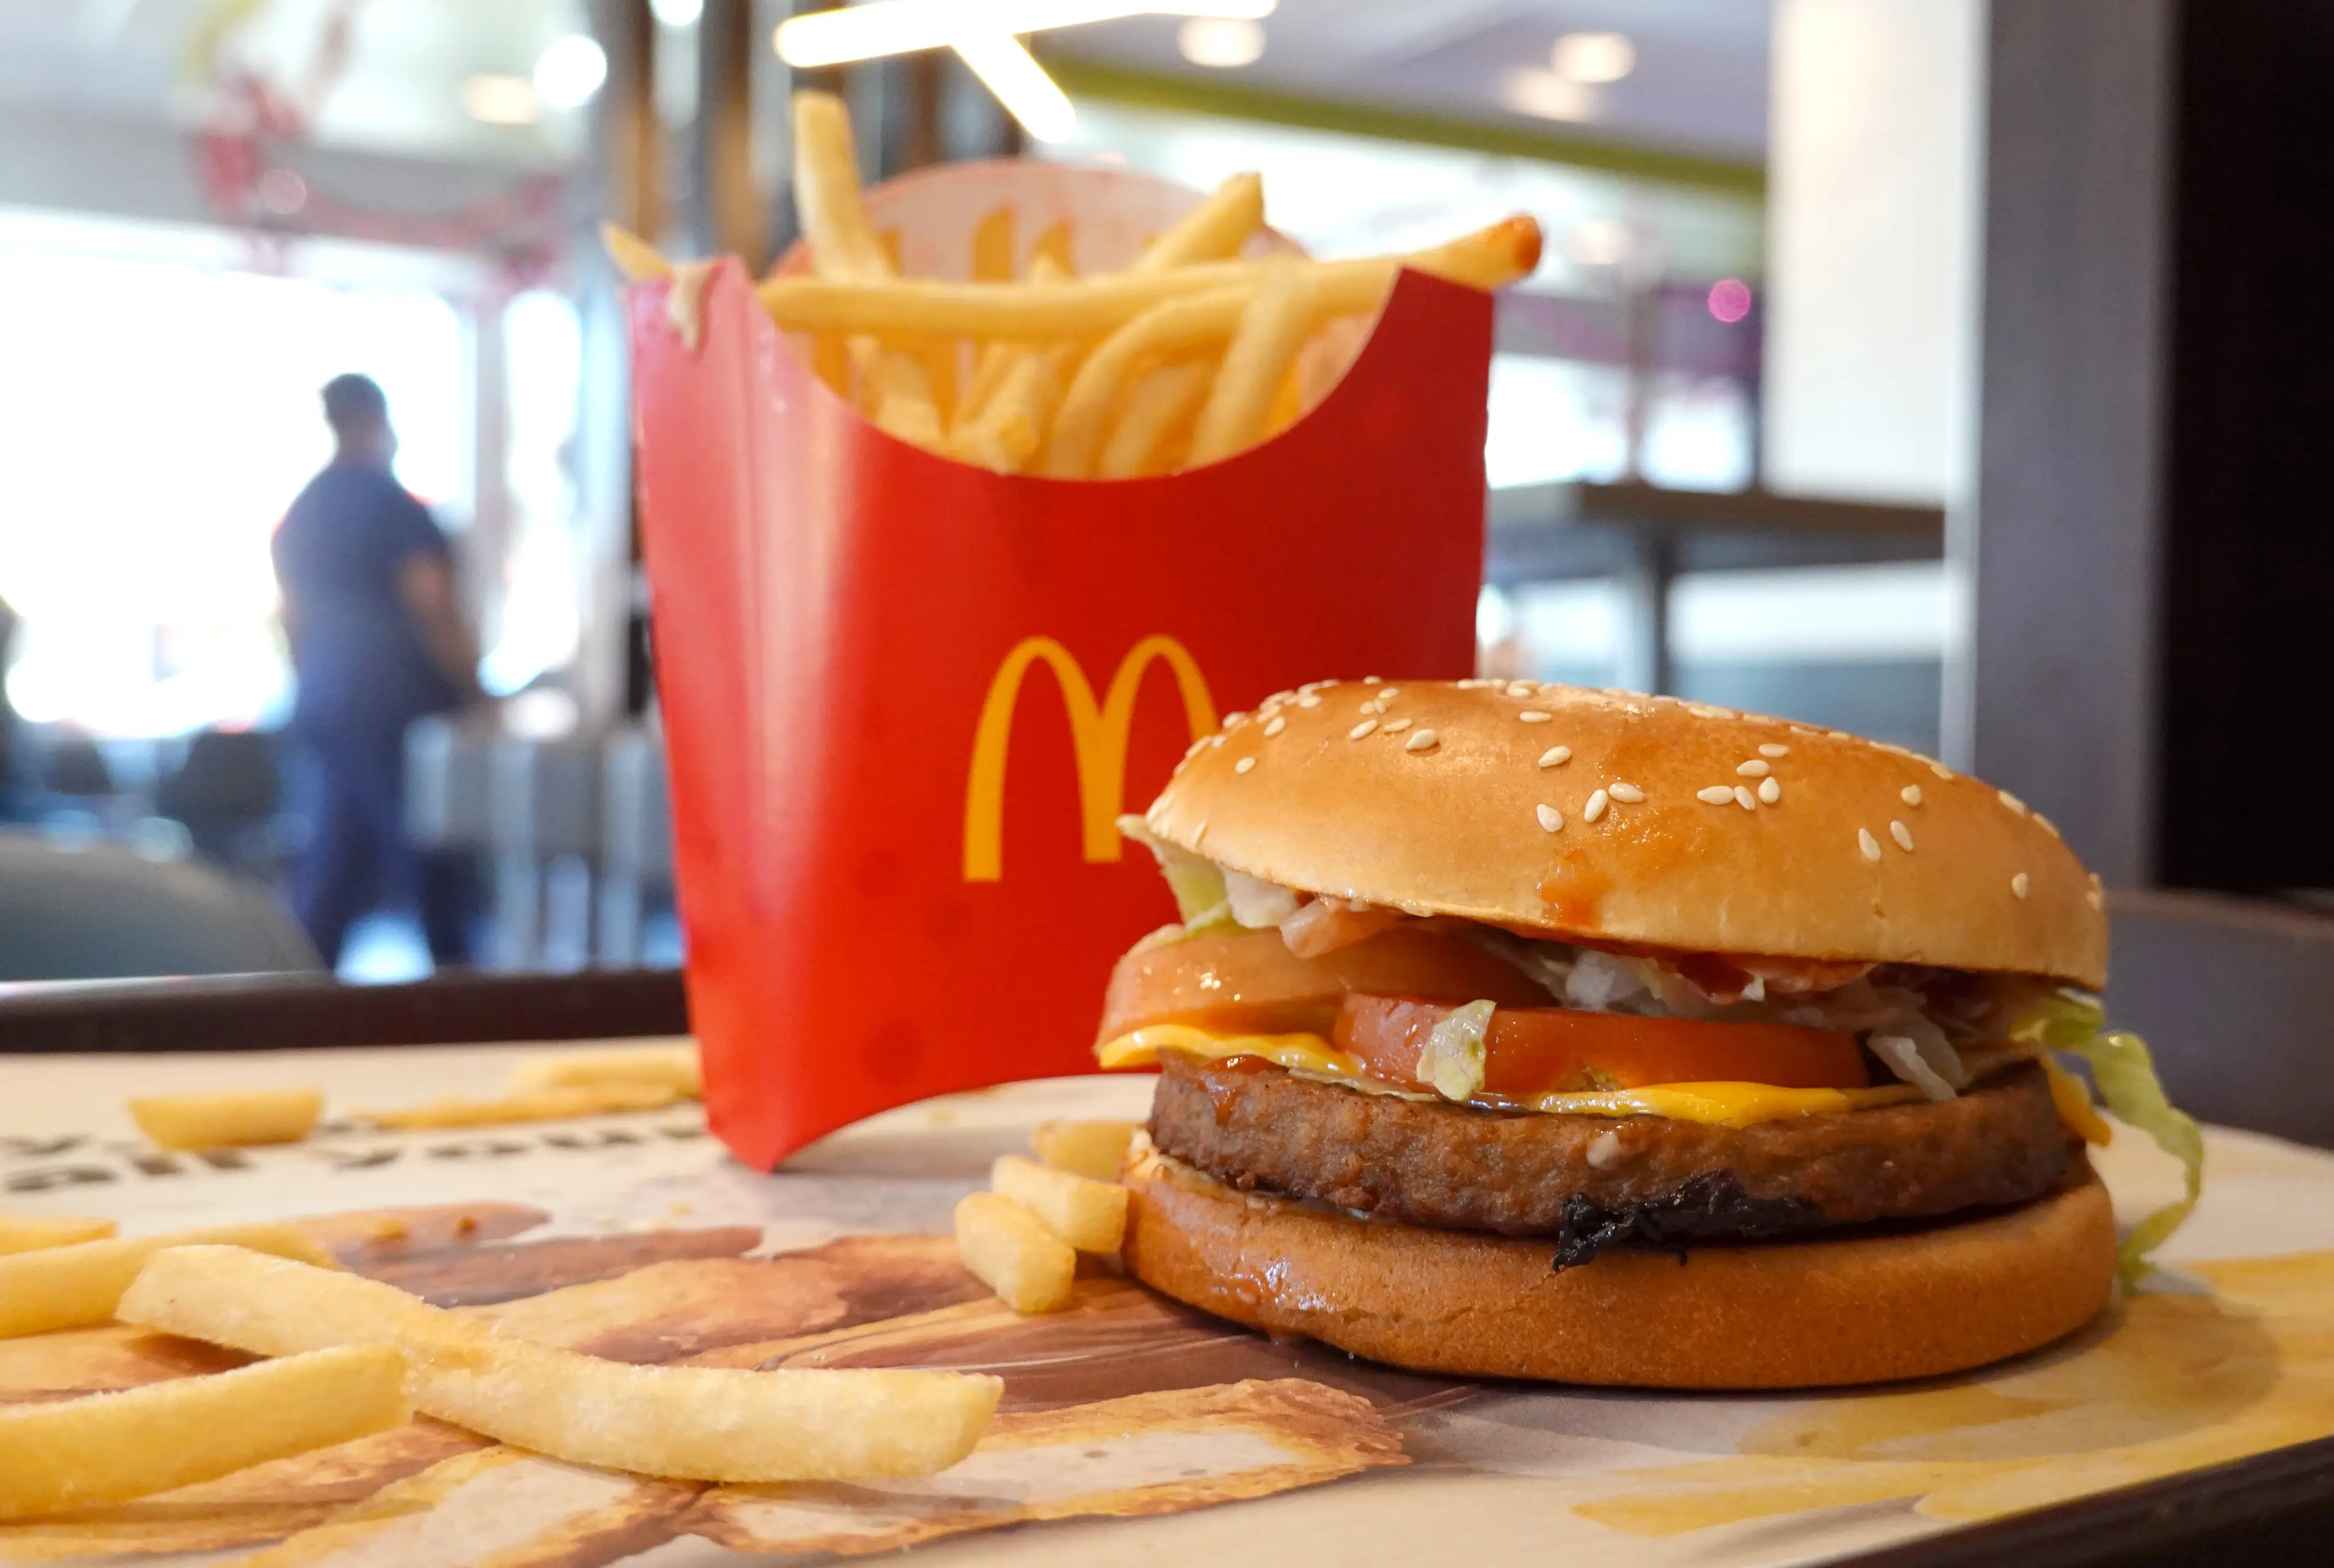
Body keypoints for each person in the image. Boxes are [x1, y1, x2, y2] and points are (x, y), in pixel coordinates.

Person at [273, 373, 481, 968]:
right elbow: (431, 602)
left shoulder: (303, 513)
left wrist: (313, 682)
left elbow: (292, 619)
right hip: (394, 705)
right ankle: (465, 1002)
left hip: (324, 699)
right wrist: (475, 689)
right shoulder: (392, 506)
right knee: (430, 859)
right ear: (377, 420)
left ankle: (298, 1002)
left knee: (332, 861)